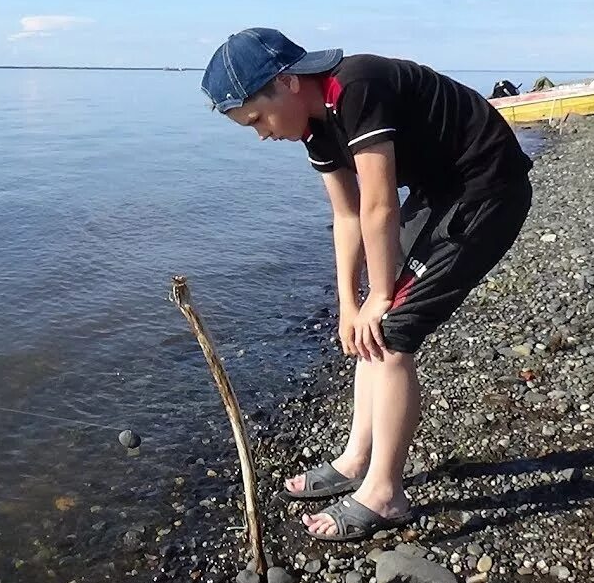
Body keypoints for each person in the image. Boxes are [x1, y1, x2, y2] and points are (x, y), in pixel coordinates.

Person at [199, 28, 533, 542]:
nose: (261, 134)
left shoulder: (355, 86)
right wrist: (349, 305)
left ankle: (385, 493)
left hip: (486, 189)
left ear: (286, 82)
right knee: (366, 331)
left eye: (257, 119)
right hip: (437, 191)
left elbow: (378, 203)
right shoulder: (313, 126)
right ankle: (357, 459)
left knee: (393, 335)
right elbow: (348, 213)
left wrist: (379, 297)